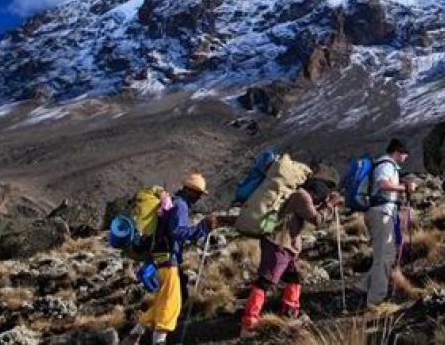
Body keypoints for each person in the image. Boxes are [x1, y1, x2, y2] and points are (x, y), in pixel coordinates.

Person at [240, 177, 341, 335]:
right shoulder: (302, 196)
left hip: (286, 246)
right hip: (278, 245)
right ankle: (249, 322)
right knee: (265, 282)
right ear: (315, 193)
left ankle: (289, 311)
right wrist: (330, 205)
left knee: (293, 277)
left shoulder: (299, 195)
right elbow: (317, 219)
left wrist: (327, 205)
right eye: (320, 197)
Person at [127, 173, 216, 345]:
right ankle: (159, 339)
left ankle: (136, 332)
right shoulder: (180, 205)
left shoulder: (171, 202)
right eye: (198, 194)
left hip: (158, 259)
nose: (198, 197)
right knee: (172, 302)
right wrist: (202, 228)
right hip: (169, 260)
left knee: (163, 298)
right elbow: (178, 232)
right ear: (191, 191)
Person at [363, 138, 414, 307]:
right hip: (382, 213)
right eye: (405, 154)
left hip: (383, 212)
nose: (406, 158)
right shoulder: (386, 164)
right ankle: (376, 300)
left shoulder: (385, 164)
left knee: (387, 253)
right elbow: (384, 184)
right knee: (384, 256)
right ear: (398, 152)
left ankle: (365, 286)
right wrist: (404, 188)